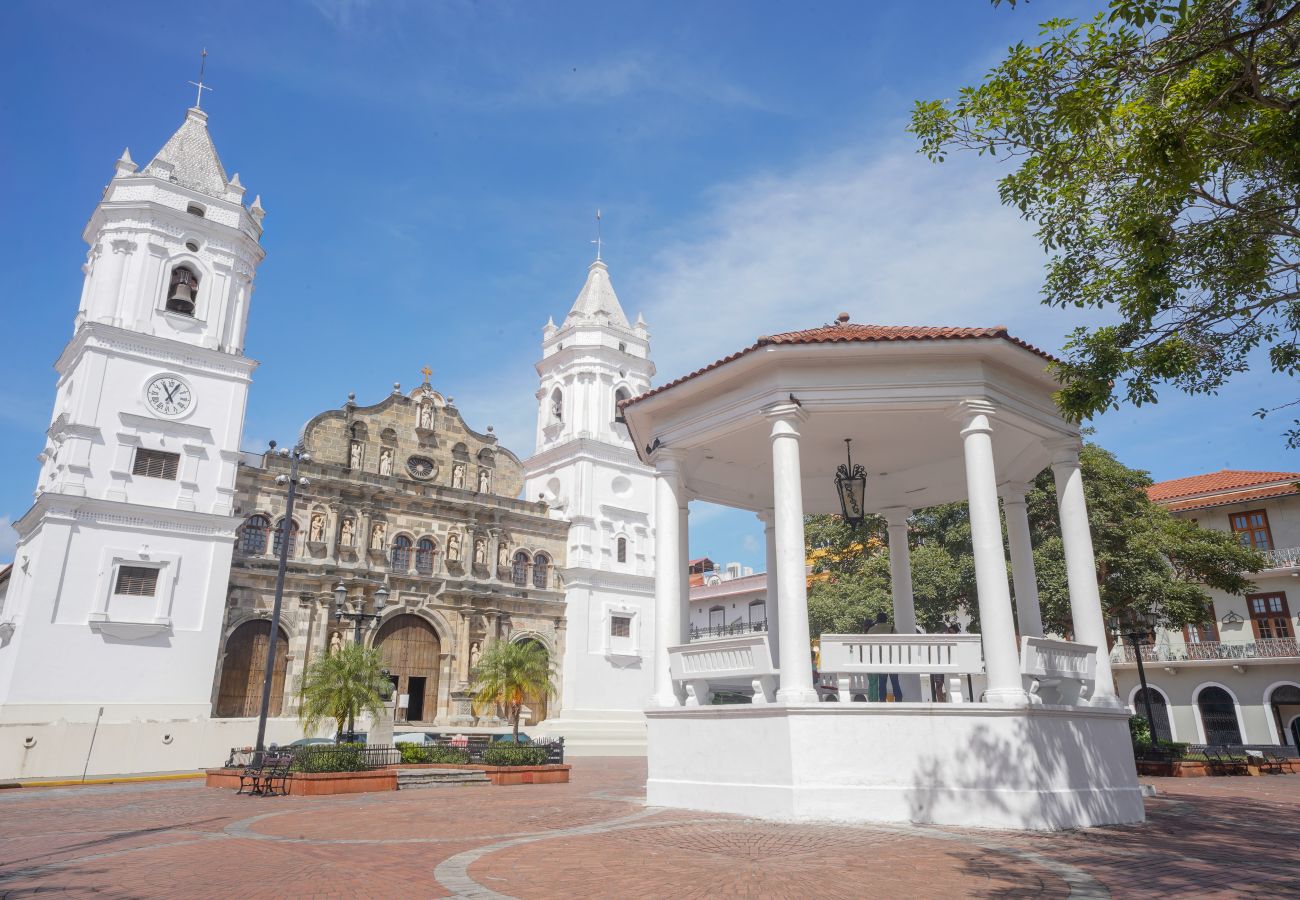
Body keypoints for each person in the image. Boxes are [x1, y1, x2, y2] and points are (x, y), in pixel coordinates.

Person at [867, 611, 902, 702]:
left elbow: (868, 646)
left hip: (880, 660)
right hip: (891, 660)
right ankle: (899, 700)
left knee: (882, 683)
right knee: (895, 683)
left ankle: (882, 701)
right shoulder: (892, 628)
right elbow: (898, 642)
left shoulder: (872, 630)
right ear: (886, 619)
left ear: (877, 620)